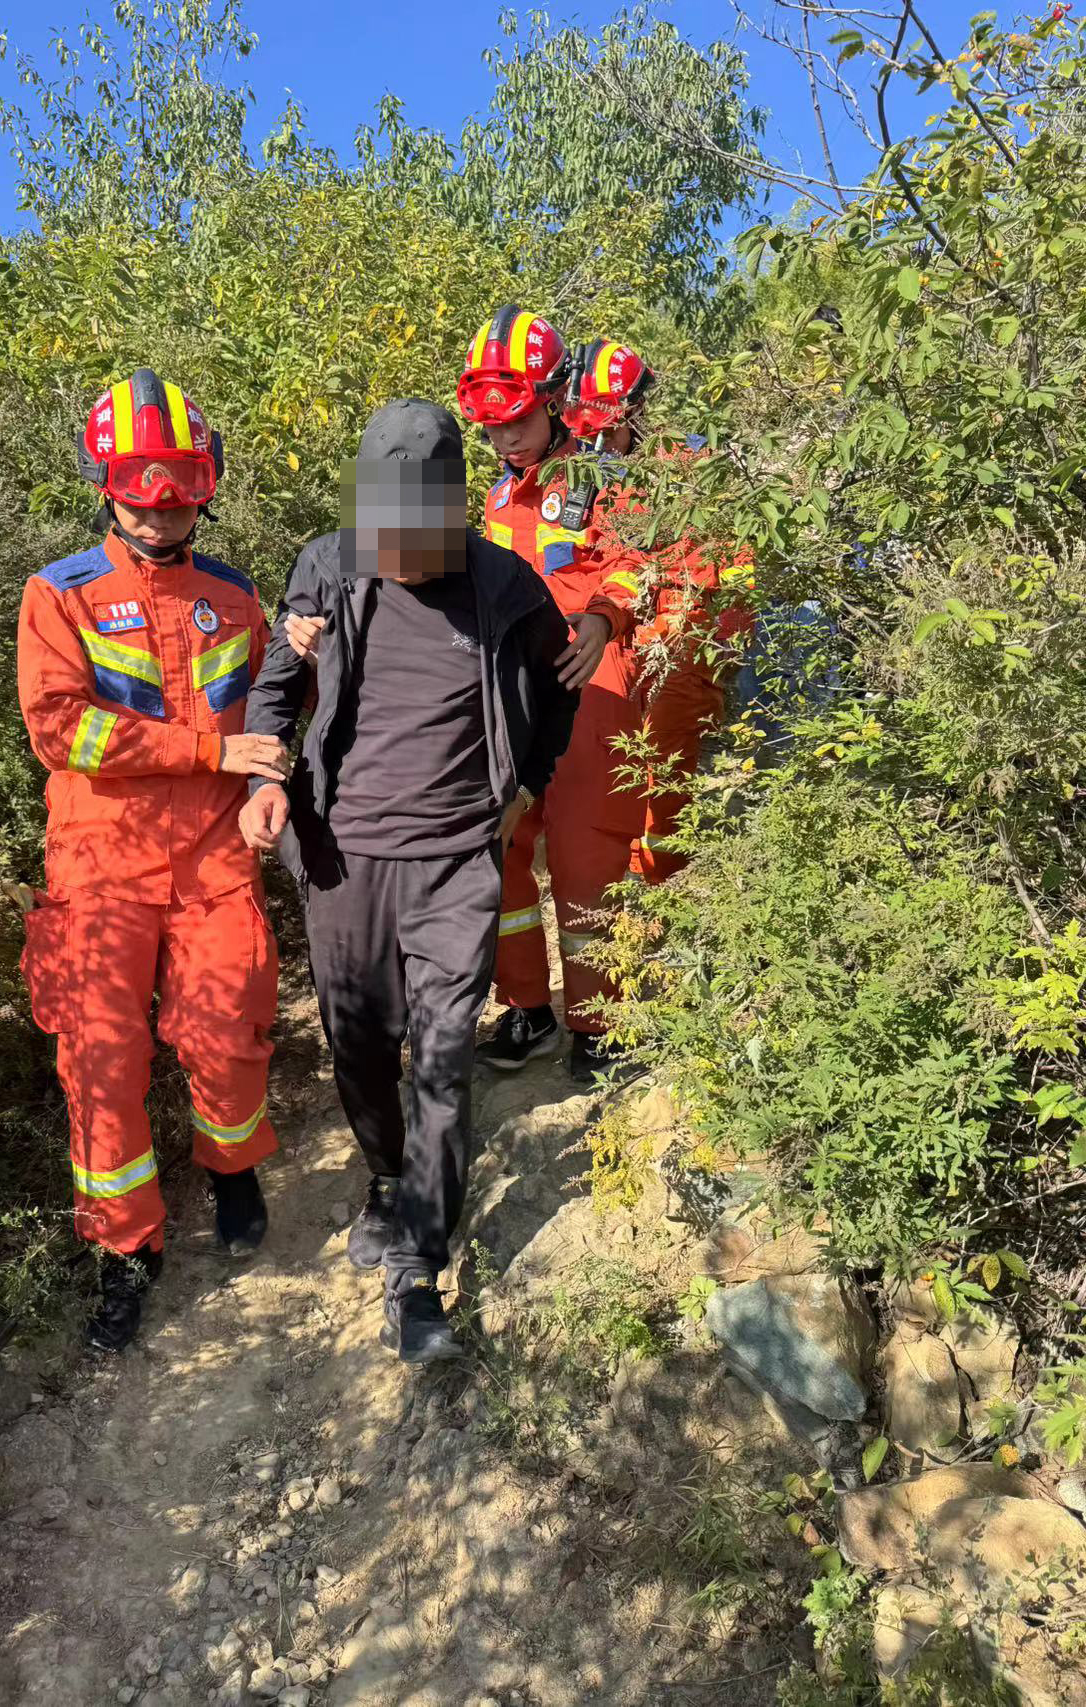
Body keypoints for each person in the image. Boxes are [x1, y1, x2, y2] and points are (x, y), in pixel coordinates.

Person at [239, 398, 577, 1364]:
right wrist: (266, 778)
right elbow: (276, 677)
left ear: (451, 515)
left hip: (457, 862)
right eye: (378, 534)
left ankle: (421, 1261)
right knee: (358, 1044)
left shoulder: (504, 584)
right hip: (343, 858)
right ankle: (387, 1180)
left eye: (411, 539)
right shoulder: (327, 564)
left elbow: (559, 686)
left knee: (441, 1055)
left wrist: (529, 788)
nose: (393, 554)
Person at [16, 368, 289, 1354]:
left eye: (180, 479)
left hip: (214, 857)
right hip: (99, 866)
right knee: (99, 1064)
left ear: (206, 480)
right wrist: (208, 754)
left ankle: (230, 1169)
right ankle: (125, 1250)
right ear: (106, 481)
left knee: (227, 1028)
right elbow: (60, 732)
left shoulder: (232, 594)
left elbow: (271, 711)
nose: (163, 502)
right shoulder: (59, 594)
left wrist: (267, 785)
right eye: (142, 480)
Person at [455, 307, 646, 1081]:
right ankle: (528, 1006)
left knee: (585, 853)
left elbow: (636, 560)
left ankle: (602, 1025)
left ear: (555, 396)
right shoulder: (498, 501)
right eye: (493, 428)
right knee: (500, 843)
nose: (506, 440)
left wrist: (605, 617)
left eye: (520, 420)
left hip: (589, 677)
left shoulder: (602, 479)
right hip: (516, 687)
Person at [561, 338, 746, 885]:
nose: (597, 442)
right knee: (612, 771)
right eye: (587, 431)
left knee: (663, 776)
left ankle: (660, 895)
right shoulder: (594, 476)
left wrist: (721, 646)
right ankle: (616, 890)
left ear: (635, 412)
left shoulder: (694, 468)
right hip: (619, 644)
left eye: (604, 428)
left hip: (683, 649)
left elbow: (729, 567)